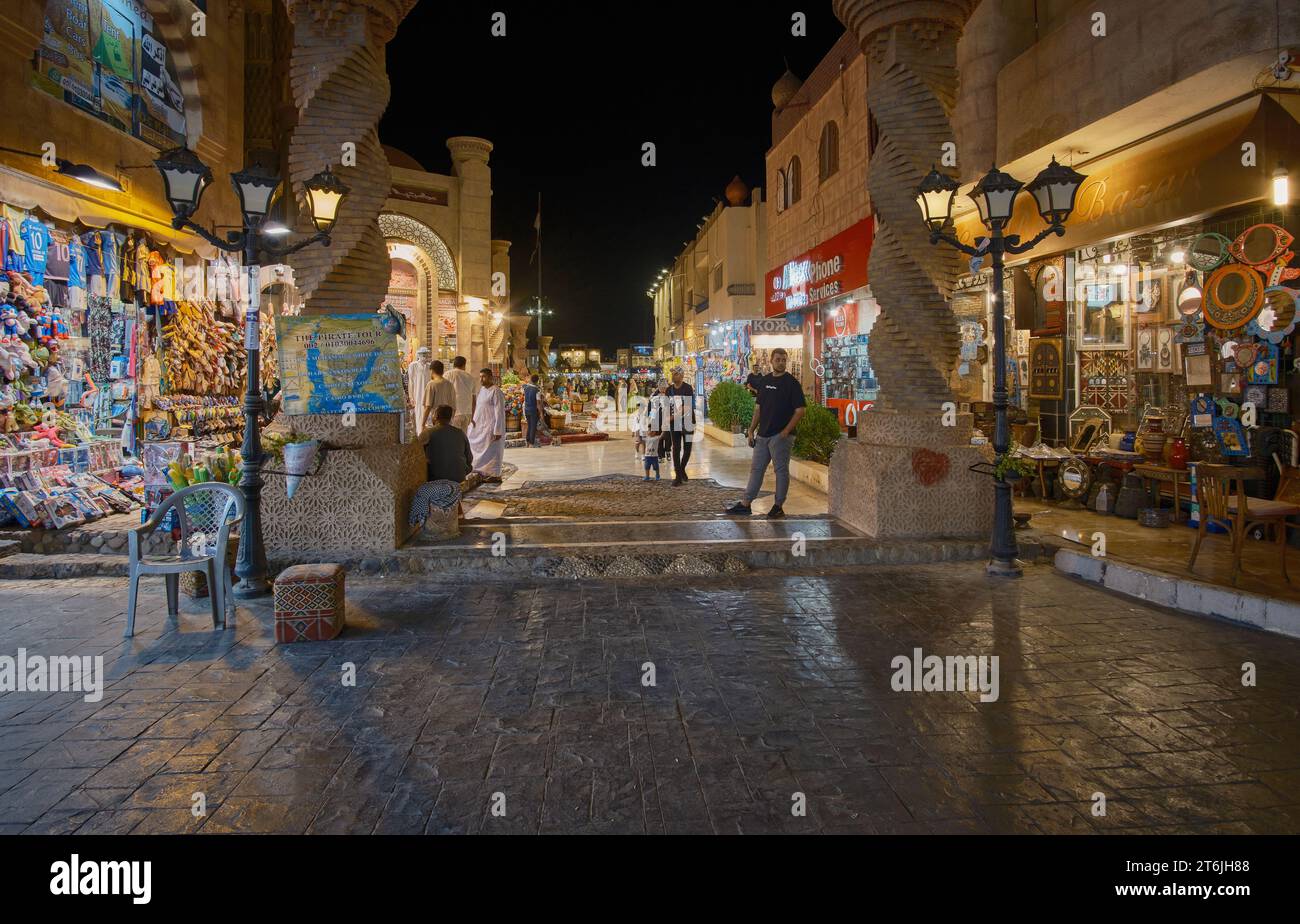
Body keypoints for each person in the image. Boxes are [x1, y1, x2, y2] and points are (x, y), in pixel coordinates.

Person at [726, 347, 805, 519]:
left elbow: (800, 410)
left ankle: (778, 506)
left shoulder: (792, 383)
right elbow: (758, 408)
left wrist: (785, 432)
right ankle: (746, 504)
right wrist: (751, 430)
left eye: (784, 360)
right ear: (771, 361)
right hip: (762, 435)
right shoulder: (765, 381)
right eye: (778, 359)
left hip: (780, 437)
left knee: (781, 471)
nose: (781, 362)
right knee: (756, 470)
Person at [468, 366, 506, 481]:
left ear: (490, 377)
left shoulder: (496, 391)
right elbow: (479, 408)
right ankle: (483, 471)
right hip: (481, 426)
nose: (481, 379)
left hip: (492, 426)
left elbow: (499, 412)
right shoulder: (482, 390)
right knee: (478, 447)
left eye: (483, 377)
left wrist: (497, 430)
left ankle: (495, 475)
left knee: (493, 451)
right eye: (480, 377)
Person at [423, 404, 473, 483]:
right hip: (459, 477)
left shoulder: (427, 433)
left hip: (436, 478)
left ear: (436, 416)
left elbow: (416, 454)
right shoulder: (460, 433)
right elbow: (469, 458)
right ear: (450, 418)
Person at [666, 367, 696, 486]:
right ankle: (678, 476)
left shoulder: (687, 388)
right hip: (675, 425)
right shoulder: (669, 390)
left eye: (676, 374)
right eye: (673, 374)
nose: (673, 376)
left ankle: (681, 468)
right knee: (676, 448)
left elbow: (687, 406)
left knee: (687, 449)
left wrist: (672, 417)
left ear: (682, 375)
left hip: (687, 421)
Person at [423, 359, 457, 433]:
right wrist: (450, 421)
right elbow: (454, 406)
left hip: (434, 422)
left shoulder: (431, 384)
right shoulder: (450, 384)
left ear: (432, 371)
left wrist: (422, 424)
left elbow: (428, 407)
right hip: (448, 422)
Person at [444, 355, 475, 431]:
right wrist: (472, 416)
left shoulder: (448, 374)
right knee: (463, 437)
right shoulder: (470, 377)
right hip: (467, 413)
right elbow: (474, 400)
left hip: (454, 413)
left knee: (453, 438)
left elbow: (443, 394)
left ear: (453, 364)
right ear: (464, 365)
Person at [523, 374, 542, 447]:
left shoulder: (526, 388)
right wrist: (540, 413)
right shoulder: (537, 390)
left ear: (531, 379)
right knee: (533, 426)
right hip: (533, 410)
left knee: (529, 425)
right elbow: (538, 403)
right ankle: (531, 443)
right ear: (537, 381)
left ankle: (527, 442)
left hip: (526, 409)